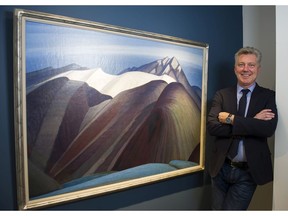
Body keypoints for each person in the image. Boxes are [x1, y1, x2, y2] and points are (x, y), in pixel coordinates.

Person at [207, 46, 278, 210]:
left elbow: (267, 129)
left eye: (251, 65)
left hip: (248, 173)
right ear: (235, 68)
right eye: (241, 64)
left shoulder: (268, 96)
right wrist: (253, 122)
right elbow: (212, 127)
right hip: (220, 169)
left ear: (258, 69)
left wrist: (232, 119)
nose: (246, 69)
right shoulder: (221, 95)